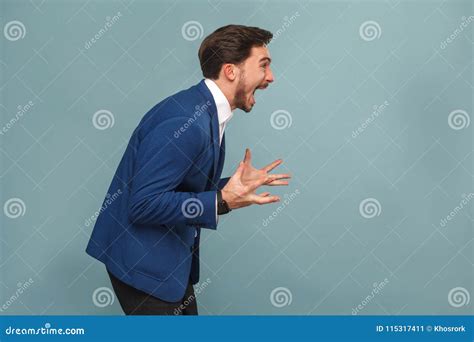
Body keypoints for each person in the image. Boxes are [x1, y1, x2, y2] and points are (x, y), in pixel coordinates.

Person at [85, 24, 291, 315]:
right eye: (264, 65)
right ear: (231, 71)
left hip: (169, 262)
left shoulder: (205, 112)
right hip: (143, 265)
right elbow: (143, 204)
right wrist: (221, 201)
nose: (270, 77)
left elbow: (180, 185)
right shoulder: (186, 122)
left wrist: (230, 186)